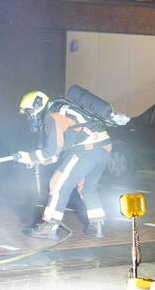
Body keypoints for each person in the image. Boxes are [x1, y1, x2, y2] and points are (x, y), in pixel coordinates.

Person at [16, 90, 111, 239]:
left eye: (29, 111)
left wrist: (29, 156)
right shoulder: (62, 109)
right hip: (103, 148)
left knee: (58, 184)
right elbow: (56, 155)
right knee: (87, 188)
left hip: (85, 150)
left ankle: (49, 226)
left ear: (38, 104)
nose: (30, 116)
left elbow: (52, 150)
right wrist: (34, 160)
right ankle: (97, 225)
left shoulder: (53, 115)